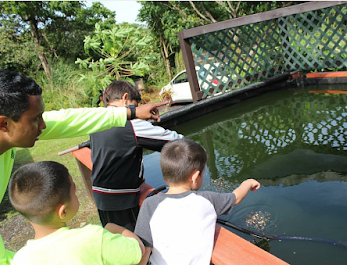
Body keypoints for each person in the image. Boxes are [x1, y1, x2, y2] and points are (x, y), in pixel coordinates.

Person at [0, 70, 166, 264]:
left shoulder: (25, 257)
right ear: (4, 124)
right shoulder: (93, 239)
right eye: (37, 118)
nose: (44, 125)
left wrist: (131, 112)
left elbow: (68, 120)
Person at [134, 138, 261, 265]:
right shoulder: (207, 200)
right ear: (195, 177)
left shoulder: (149, 205)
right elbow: (236, 197)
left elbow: (144, 249)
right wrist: (247, 183)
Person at [90, 80, 183, 232]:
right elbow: (177, 141)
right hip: (122, 200)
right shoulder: (131, 124)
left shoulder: (97, 120)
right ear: (125, 98)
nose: (137, 110)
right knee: (136, 245)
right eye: (135, 105)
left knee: (115, 240)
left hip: (101, 196)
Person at [8, 161, 145, 265]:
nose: (77, 191)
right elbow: (137, 251)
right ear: (63, 211)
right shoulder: (93, 238)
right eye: (74, 189)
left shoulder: (20, 259)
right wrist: (115, 229)